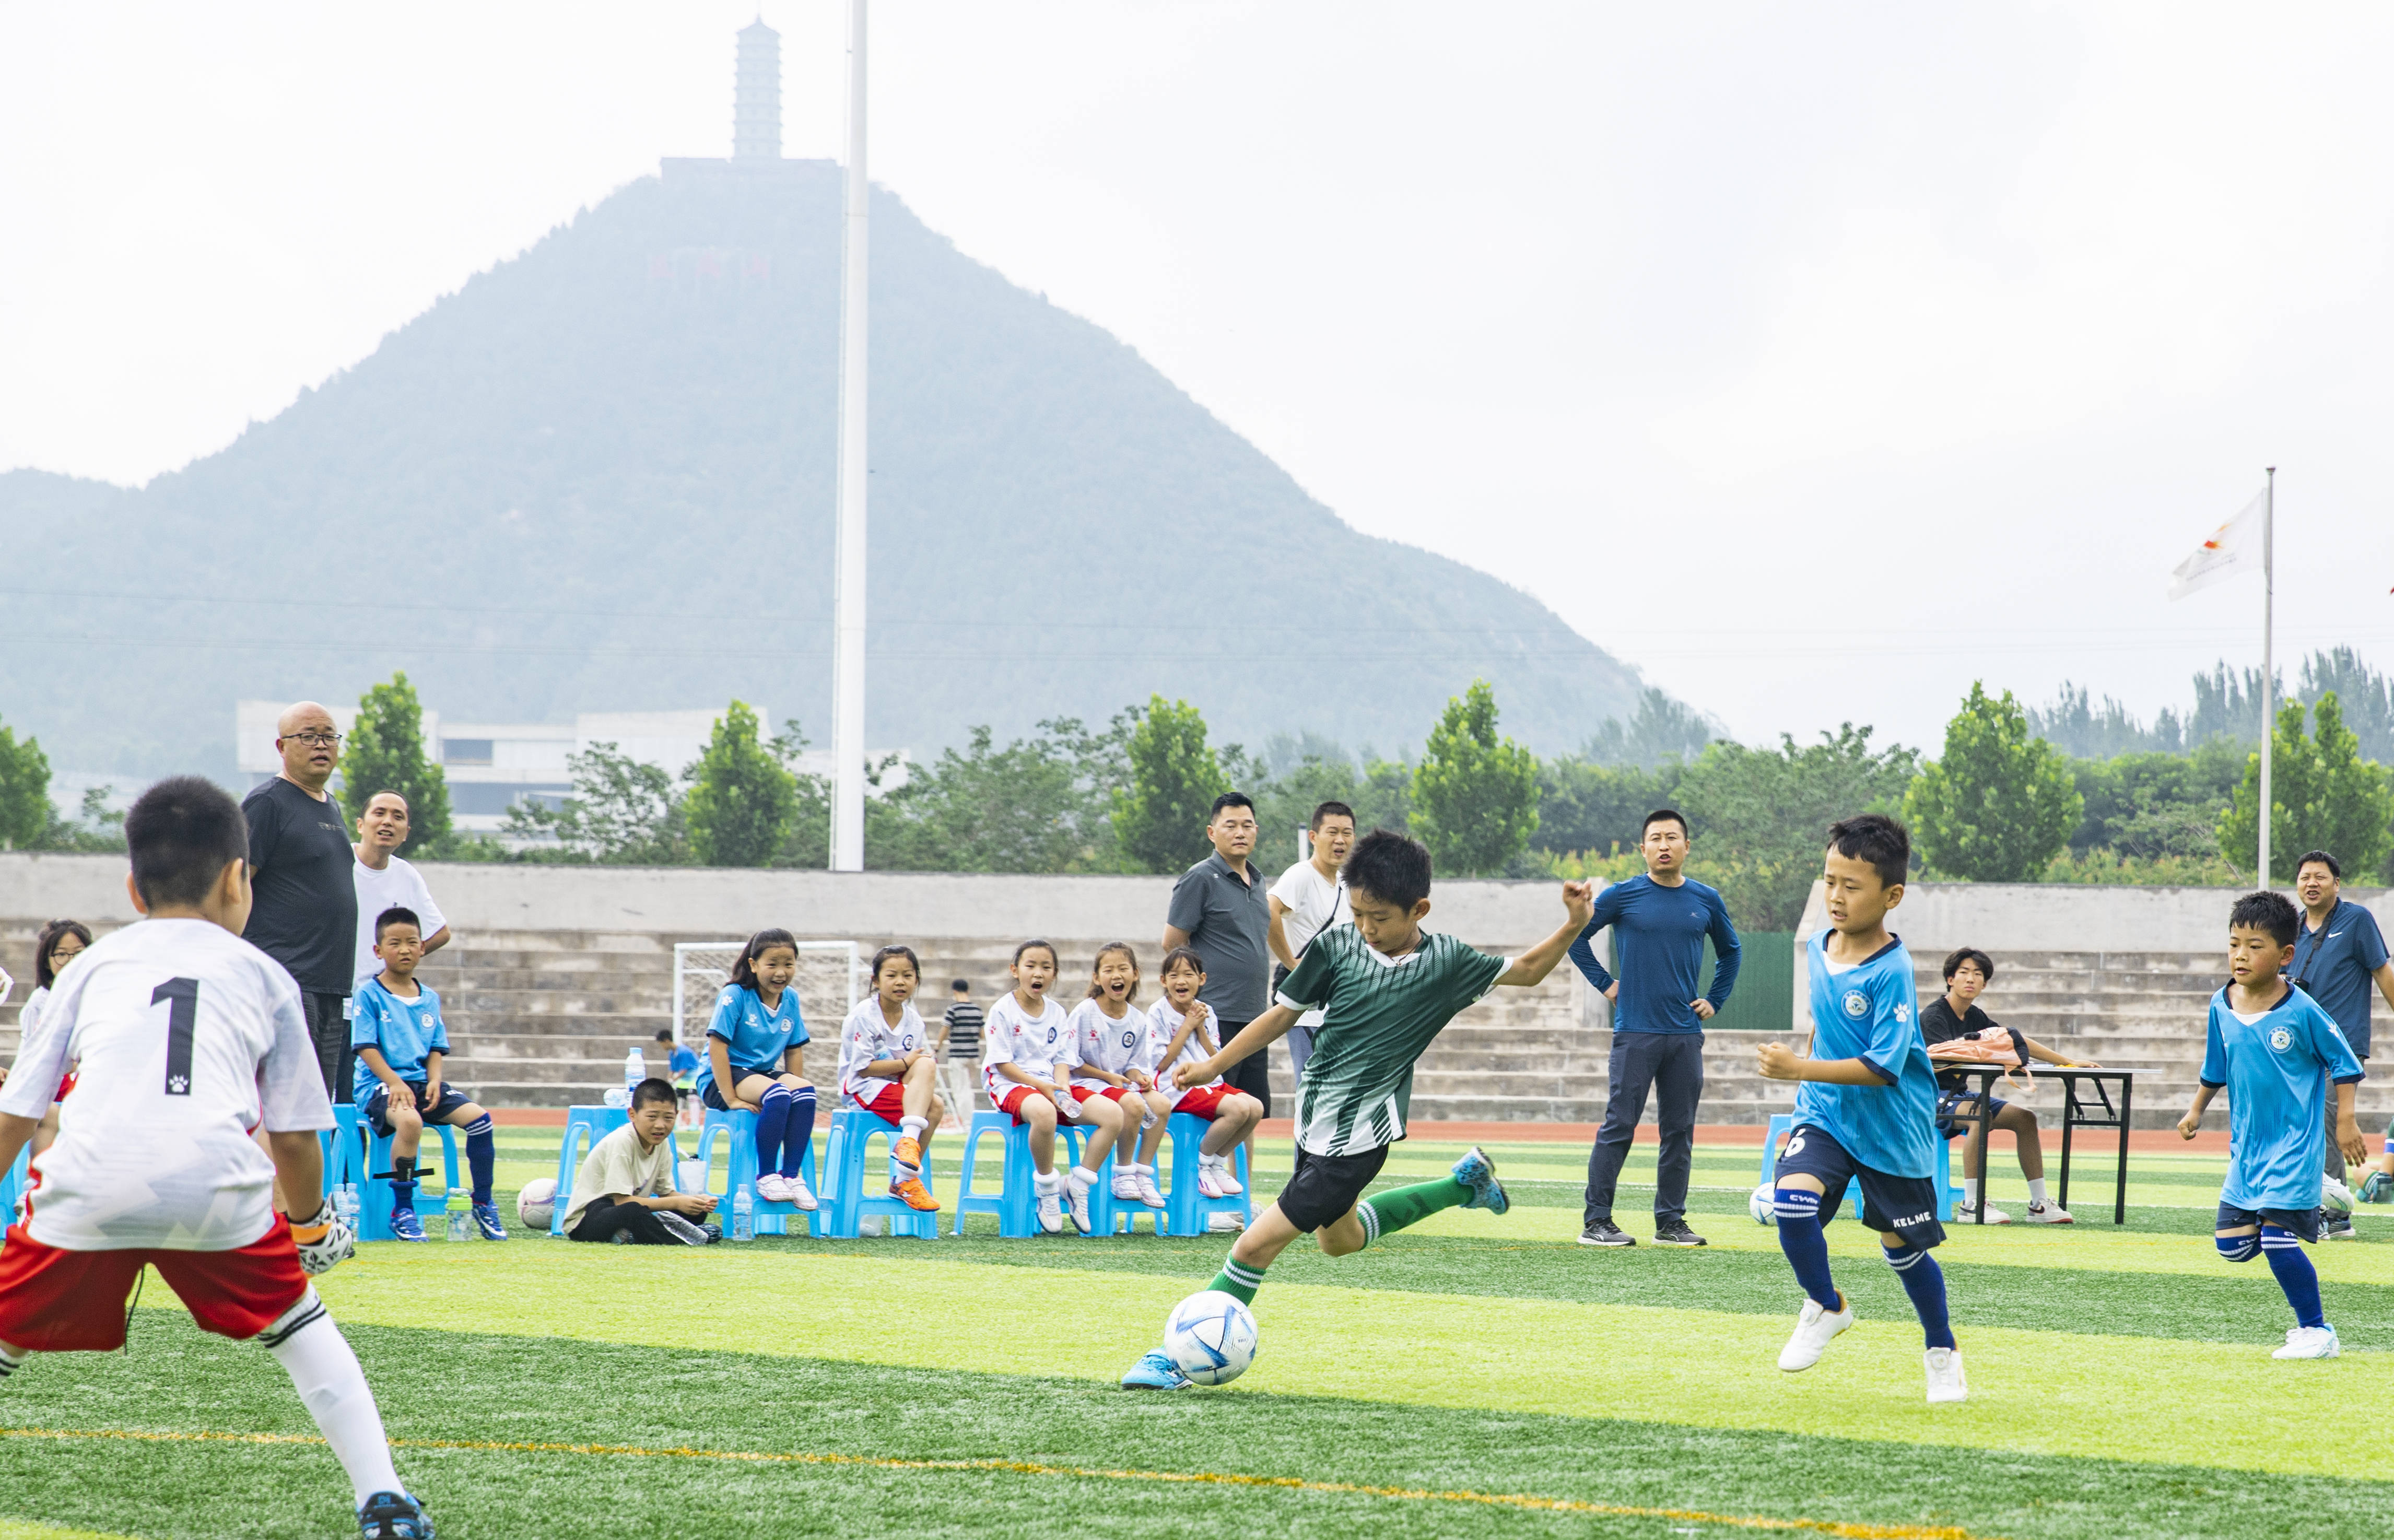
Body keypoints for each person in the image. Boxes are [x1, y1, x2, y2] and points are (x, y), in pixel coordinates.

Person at [0, 775, 432, 1537]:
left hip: (89, 1185)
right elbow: (297, 1135)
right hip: (216, 1190)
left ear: (134, 887)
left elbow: (17, 1111)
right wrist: (312, 1225)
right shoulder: (267, 975)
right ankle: (385, 1501)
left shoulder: (92, 968)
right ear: (240, 878)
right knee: (302, 1326)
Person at [1122, 830, 1594, 1391]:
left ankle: (1172, 1358)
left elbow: (1528, 970)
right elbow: (1282, 1016)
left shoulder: (1447, 962)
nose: (1367, 927)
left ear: (1419, 909)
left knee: (1254, 1244)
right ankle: (1463, 1187)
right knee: (1337, 1240)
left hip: (1358, 1142)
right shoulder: (1337, 946)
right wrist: (1211, 1065)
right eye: (1358, 913)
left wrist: (1572, 924)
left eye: (1380, 917)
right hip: (1314, 1123)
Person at [1755, 814, 1964, 1405]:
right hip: (1827, 1115)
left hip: (1892, 1130)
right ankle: (1827, 1305)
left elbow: (1881, 1067)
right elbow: (1826, 1027)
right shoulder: (1821, 947)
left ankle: (1942, 1350)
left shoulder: (1892, 970)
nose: (1836, 897)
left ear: (1891, 896)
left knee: (1903, 1249)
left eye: (1852, 886)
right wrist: (1803, 1106)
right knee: (1792, 1203)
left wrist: (1798, 1068)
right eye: (1829, 881)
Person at [2177, 889, 2368, 1358]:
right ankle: (2317, 1195)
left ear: (2285, 954)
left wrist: (2346, 1119)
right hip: (2248, 1146)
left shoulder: (2302, 1009)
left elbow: (2344, 1063)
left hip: (2294, 1143)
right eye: (2234, 943)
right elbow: (2214, 1065)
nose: (2241, 954)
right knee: (2234, 1247)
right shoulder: (2220, 1004)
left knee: (2278, 1239)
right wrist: (2197, 1108)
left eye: (2255, 945)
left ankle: (2317, 1331)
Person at [1568, 809, 1741, 1249]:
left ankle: (1671, 1222)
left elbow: (1731, 952)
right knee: (1619, 1124)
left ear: (1687, 846)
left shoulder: (1705, 898)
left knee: (1679, 1130)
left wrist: (1715, 999)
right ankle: (1597, 1221)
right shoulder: (1622, 895)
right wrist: (1607, 984)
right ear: (1642, 848)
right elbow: (1575, 937)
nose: (1664, 845)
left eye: (1672, 837)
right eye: (1655, 838)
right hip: (1636, 1032)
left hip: (1684, 1034)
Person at [350, 907, 505, 1242]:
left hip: (422, 1084)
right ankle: (402, 1210)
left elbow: (437, 1048)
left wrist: (435, 1080)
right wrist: (394, 1082)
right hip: (380, 1085)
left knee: (481, 1120)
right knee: (411, 1123)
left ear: (423, 947)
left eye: (412, 942)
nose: (404, 949)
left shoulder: (430, 997)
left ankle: (483, 1201)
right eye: (395, 943)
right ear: (379, 951)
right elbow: (366, 1048)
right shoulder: (369, 994)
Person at [1918, 947, 2096, 1225]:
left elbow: (2013, 1040)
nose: (1970, 979)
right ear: (1950, 979)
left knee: (2025, 1118)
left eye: (1978, 975)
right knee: (1980, 1116)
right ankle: (1972, 1205)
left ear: (1985, 984)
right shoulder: (1934, 1016)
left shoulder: (1975, 1016)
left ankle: (2039, 1205)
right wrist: (1984, 1047)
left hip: (1959, 1094)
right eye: (1963, 973)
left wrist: (2067, 1061)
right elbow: (1942, 1056)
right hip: (1925, 1095)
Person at [241, 702, 361, 1102]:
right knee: (285, 1106)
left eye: (329, 735)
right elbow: (235, 884)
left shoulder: (332, 805)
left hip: (330, 984)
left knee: (314, 1107)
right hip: (288, 979)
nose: (321, 744)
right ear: (282, 745)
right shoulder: (268, 803)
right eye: (308, 736)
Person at [982, 939, 1129, 1235]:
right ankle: (1047, 1188)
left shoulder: (1057, 1013)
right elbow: (1002, 1064)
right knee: (1045, 1114)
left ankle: (1078, 1186)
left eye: (1046, 968)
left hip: (1051, 1086)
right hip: (1012, 1084)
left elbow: (1063, 1059)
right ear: (1015, 970)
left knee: (1113, 1115)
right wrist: (1043, 1087)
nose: (1038, 973)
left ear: (1054, 974)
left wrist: (1062, 1085)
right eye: (1031, 966)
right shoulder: (1002, 1010)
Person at [1163, 794, 1274, 1180]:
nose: (1240, 832)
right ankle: (1201, 1184)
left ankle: (1238, 1195)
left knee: (1251, 1106)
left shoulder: (1258, 881)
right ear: (1213, 832)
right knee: (1218, 1106)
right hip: (1215, 1017)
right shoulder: (1200, 878)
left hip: (1255, 1017)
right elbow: (1173, 942)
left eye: (1247, 824)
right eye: (1230, 825)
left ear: (1257, 831)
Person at [2287, 852, 2394, 1225]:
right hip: (2298, 1049)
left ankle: (2334, 1214)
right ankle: (2313, 1203)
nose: (2311, 883)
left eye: (2320, 876)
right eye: (2305, 877)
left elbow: (2383, 972)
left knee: (2329, 1120)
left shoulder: (2356, 920)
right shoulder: (2291, 928)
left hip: (2342, 1047)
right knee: (2303, 1125)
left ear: (2337, 883)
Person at [696, 929, 818, 1210]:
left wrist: (795, 1092)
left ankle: (791, 1177)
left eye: (788, 964)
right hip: (720, 1078)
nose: (781, 972)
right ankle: (766, 1176)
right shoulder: (735, 995)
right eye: (772, 964)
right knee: (778, 1094)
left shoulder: (791, 999)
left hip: (760, 1073)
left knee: (806, 1093)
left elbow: (794, 1049)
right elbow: (717, 1047)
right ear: (753, 965)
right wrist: (731, 1099)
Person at [1144, 947, 1263, 1203]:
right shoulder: (1158, 1012)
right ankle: (1201, 1164)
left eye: (1189, 974)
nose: (1181, 981)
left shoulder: (1205, 1011)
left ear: (1202, 979)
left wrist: (1199, 1029)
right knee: (1238, 1110)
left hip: (1210, 1083)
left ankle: (1217, 1163)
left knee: (1255, 1108)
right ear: (1164, 981)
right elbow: (1162, 1063)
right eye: (1174, 975)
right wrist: (1187, 1026)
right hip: (1176, 1087)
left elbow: (1215, 1059)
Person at [834, 945, 943, 1213]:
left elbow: (911, 1072)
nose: (900, 982)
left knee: (929, 1073)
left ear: (917, 980)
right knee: (934, 1104)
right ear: (876, 981)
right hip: (862, 1087)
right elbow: (864, 1069)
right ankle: (905, 1179)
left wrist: (911, 1066)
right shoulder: (864, 1015)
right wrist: (906, 1063)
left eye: (908, 975)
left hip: (892, 1085)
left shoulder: (914, 1021)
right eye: (892, 975)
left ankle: (905, 1164)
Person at [1066, 943, 1171, 1211]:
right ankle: (1123, 1173)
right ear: (1096, 977)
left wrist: (1140, 1078)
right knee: (1134, 1104)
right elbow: (1070, 1063)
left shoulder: (1137, 1020)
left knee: (1161, 1104)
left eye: (1123, 969)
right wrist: (1107, 1076)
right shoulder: (1085, 1012)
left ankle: (1143, 1174)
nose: (1117, 976)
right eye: (1109, 970)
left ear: (1135, 974)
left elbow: (1133, 1066)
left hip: (1116, 1086)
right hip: (1086, 1085)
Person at [562, 1077, 718, 1245]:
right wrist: (677, 1202)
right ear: (632, 1115)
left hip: (628, 1210)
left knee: (696, 1212)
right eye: (652, 1117)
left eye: (668, 1118)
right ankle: (683, 1238)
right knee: (633, 1211)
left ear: (677, 1116)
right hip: (589, 1219)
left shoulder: (663, 1144)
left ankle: (629, 1235)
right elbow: (621, 1201)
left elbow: (666, 1194)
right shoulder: (622, 1141)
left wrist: (695, 1201)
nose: (660, 1125)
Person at [1268, 800, 1355, 1084]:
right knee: (1312, 1087)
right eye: (1332, 832)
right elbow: (1268, 910)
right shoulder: (1302, 875)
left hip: (1336, 1006)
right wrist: (1292, 963)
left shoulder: (1345, 882)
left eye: (1347, 832)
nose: (1340, 840)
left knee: (1336, 1089)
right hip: (1306, 1009)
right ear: (1314, 837)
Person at [351, 791, 450, 994]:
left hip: (379, 1000)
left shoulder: (406, 875)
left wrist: (395, 963)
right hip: (332, 999)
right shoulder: (336, 862)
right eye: (379, 813)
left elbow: (440, 933)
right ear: (360, 824)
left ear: (406, 833)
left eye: (398, 817)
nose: (387, 822)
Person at [11, 920, 92, 1156]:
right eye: (61, 955)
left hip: (90, 1083)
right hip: (52, 1087)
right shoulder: (40, 1002)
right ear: (47, 962)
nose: (70, 962)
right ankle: (36, 1185)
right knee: (50, 1116)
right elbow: (33, 1055)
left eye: (78, 953)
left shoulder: (99, 995)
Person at [938, 978, 984, 1123]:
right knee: (968, 1089)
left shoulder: (953, 1009)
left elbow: (945, 1030)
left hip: (958, 1055)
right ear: (968, 991)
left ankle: (966, 1122)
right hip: (973, 1055)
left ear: (955, 991)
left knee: (960, 1090)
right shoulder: (977, 1010)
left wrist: (937, 1047)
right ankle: (970, 1118)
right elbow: (982, 1034)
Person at [655, 1029, 702, 1128]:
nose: (662, 1047)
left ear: (667, 1041)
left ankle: (695, 1124)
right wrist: (668, 1080)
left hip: (693, 1079)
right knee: (677, 1100)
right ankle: (676, 1123)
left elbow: (684, 1070)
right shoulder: (672, 1053)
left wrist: (673, 1080)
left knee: (692, 1098)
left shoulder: (684, 1051)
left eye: (662, 1043)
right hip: (683, 1081)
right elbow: (672, 1069)